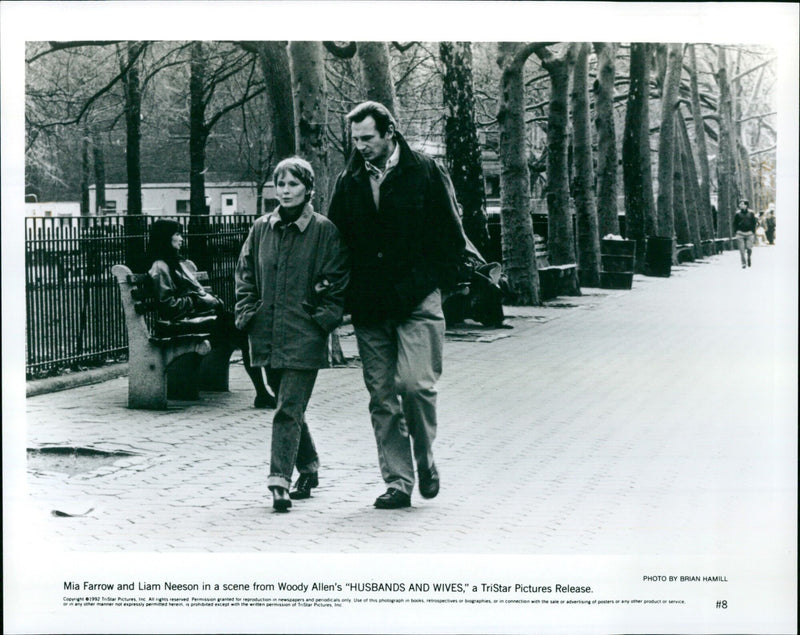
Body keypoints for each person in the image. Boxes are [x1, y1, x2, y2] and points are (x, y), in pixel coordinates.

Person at [328, 101, 466, 509]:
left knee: (415, 386)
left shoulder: (424, 171)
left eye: (368, 138)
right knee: (383, 398)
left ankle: (424, 458)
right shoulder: (348, 180)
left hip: (418, 301)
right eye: (355, 140)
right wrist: (345, 295)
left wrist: (420, 285)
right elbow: (337, 243)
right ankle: (399, 481)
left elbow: (451, 243)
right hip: (370, 308)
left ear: (390, 133)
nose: (361, 147)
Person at [235, 157, 348, 512]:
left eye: (293, 184)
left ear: (308, 189)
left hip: (304, 334)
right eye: (280, 184)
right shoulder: (260, 229)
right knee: (289, 405)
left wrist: (322, 320)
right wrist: (248, 313)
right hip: (265, 332)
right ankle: (310, 467)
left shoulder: (324, 230)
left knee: (285, 409)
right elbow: (245, 274)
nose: (285, 191)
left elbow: (337, 279)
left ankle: (279, 481)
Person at [146, 219, 276, 409]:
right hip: (179, 322)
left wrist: (207, 300)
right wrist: (197, 300)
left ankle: (264, 391)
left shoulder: (175, 262)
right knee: (244, 331)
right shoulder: (160, 266)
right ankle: (262, 392)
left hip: (196, 317)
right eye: (177, 234)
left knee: (246, 327)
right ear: (165, 237)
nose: (181, 239)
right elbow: (168, 307)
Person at [732, 199, 757, 268]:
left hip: (749, 233)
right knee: (741, 250)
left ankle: (749, 257)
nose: (740, 205)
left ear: (746, 205)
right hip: (740, 233)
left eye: (742, 204)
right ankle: (743, 263)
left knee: (749, 248)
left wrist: (753, 232)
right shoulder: (737, 214)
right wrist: (736, 232)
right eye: (740, 204)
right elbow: (734, 224)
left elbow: (754, 223)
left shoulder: (751, 213)